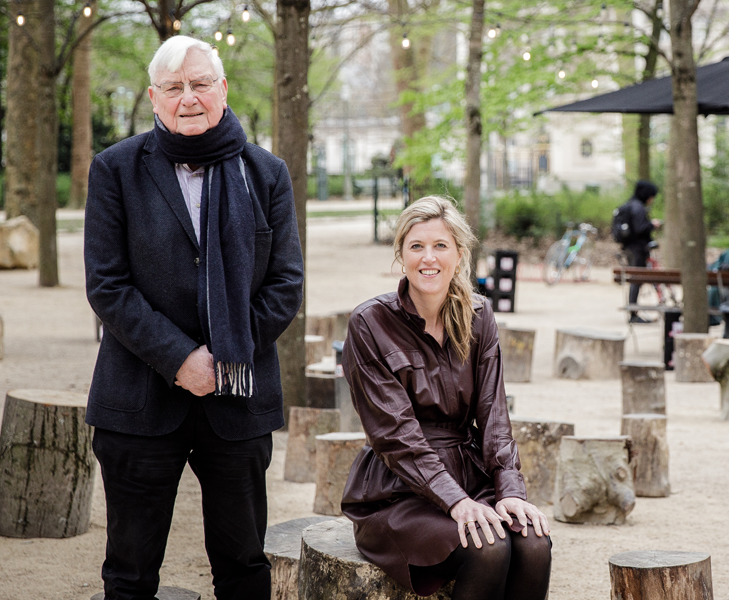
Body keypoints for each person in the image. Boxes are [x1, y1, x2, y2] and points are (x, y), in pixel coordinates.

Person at [83, 35, 304, 600]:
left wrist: (226, 359)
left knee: (243, 566)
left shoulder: (268, 174)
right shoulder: (115, 170)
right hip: (139, 400)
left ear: (223, 90)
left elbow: (285, 285)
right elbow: (108, 286)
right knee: (130, 573)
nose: (189, 98)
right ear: (154, 98)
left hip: (237, 403)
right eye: (175, 87)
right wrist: (182, 360)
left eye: (201, 84)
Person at [340, 196, 551, 599]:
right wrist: (455, 502)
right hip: (397, 488)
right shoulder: (370, 322)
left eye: (440, 246)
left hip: (469, 474)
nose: (428, 258)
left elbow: (494, 414)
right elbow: (394, 434)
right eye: (416, 246)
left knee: (533, 543)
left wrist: (509, 492)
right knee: (488, 548)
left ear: (459, 254)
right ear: (401, 255)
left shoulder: (479, 315)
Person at [620, 180, 661, 324]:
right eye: (651, 196)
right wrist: (652, 225)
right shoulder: (638, 208)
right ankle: (633, 314)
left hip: (630, 248)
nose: (652, 200)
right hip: (637, 249)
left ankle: (633, 312)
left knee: (636, 279)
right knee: (637, 279)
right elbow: (640, 228)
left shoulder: (630, 204)